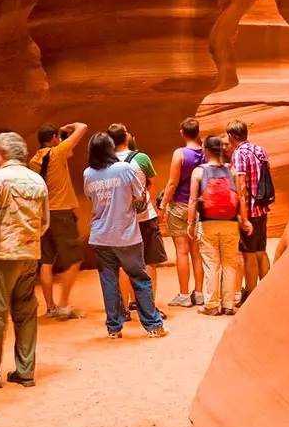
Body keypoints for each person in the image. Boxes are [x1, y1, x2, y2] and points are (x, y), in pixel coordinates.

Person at [0, 131, 49, 389]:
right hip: (29, 255)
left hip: (2, 256)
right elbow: (44, 222)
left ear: (2, 154)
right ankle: (25, 371)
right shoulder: (38, 180)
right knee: (25, 313)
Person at [83, 133, 168, 339]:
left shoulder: (88, 173)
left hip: (101, 235)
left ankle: (114, 328)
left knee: (109, 281)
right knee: (140, 278)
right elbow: (140, 195)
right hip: (126, 234)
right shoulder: (125, 169)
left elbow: (89, 196)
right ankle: (153, 326)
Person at [27, 121, 90, 319]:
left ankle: (51, 307)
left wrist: (59, 135)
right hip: (61, 213)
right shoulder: (58, 152)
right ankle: (64, 306)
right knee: (74, 259)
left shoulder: (34, 160)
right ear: (54, 138)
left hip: (43, 215)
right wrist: (68, 127)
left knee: (46, 261)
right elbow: (83, 127)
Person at [109, 125, 168, 321]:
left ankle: (124, 309)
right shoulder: (141, 158)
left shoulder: (106, 162)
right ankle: (147, 306)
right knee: (149, 262)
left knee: (123, 264)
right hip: (144, 217)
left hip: (120, 220)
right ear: (126, 136)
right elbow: (151, 183)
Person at [190, 135, 251, 316]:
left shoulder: (199, 172)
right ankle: (229, 304)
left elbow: (193, 199)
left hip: (208, 223)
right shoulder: (232, 171)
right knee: (230, 264)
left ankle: (211, 305)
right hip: (230, 224)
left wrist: (189, 222)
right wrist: (245, 219)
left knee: (211, 264)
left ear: (206, 150)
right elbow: (241, 196)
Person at [156, 118, 206, 308]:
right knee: (196, 251)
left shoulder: (180, 154)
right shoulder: (205, 153)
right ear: (197, 132)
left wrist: (163, 206)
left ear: (182, 132)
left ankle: (184, 294)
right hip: (199, 206)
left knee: (181, 251)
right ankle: (200, 293)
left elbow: (172, 183)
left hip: (179, 206)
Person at [226, 120, 271, 303]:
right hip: (262, 206)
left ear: (230, 136)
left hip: (249, 210)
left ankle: (251, 295)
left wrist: (243, 216)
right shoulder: (260, 150)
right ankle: (268, 290)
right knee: (261, 249)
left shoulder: (239, 154)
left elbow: (241, 186)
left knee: (248, 252)